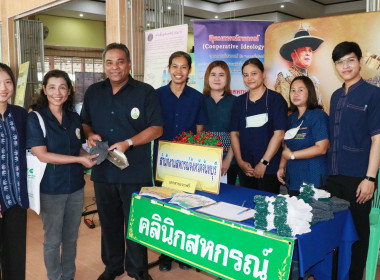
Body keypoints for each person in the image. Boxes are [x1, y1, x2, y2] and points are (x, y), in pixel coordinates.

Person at [80, 43, 163, 280]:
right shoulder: (94, 92)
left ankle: (137, 270)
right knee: (109, 222)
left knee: (136, 223)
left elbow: (156, 128)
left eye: (120, 61)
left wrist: (128, 142)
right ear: (104, 65)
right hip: (103, 169)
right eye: (109, 62)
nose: (115, 67)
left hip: (134, 170)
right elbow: (85, 121)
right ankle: (113, 266)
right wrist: (88, 134)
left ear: (129, 64)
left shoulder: (145, 92)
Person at [27, 70, 97, 280]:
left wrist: (92, 155)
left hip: (75, 187)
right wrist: (79, 160)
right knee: (52, 240)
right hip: (51, 189)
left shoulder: (73, 118)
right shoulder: (36, 118)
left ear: (69, 91)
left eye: (62, 87)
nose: (57, 92)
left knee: (71, 238)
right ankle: (54, 277)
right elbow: (42, 155)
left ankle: (69, 276)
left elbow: (77, 149)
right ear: (44, 90)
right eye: (52, 87)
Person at [327, 41, 380, 280]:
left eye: (350, 60)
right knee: (335, 231)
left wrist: (370, 178)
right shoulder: (336, 96)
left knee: (359, 234)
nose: (345, 66)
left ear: (360, 61)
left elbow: (378, 139)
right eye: (340, 62)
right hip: (334, 176)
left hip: (359, 177)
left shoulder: (373, 94)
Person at [155, 51, 208, 272]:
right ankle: (165, 254)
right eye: (175, 67)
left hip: (187, 161)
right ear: (169, 69)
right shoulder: (156, 95)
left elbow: (200, 128)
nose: (179, 71)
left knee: (186, 204)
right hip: (162, 159)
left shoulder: (197, 97)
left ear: (189, 70)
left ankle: (184, 253)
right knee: (165, 205)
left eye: (183, 67)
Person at [230, 58, 287, 194]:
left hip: (269, 168)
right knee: (247, 206)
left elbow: (279, 134)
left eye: (254, 73)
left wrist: (264, 163)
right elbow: (234, 134)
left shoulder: (275, 99)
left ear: (263, 74)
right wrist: (240, 162)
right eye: (245, 75)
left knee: (267, 209)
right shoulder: (239, 102)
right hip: (246, 168)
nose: (250, 78)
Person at [277, 76, 329, 195]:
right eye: (293, 90)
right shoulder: (291, 118)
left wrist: (293, 155)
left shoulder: (318, 116)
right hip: (293, 178)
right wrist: (281, 167)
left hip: (313, 179)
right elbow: (287, 147)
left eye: (300, 90)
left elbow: (321, 148)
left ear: (309, 92)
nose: (296, 94)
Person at [0, 63, 29, 280]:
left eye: (8, 82)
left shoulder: (20, 114)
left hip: (17, 197)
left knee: (16, 254)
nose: (3, 87)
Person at [203, 60, 238, 184]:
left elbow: (237, 134)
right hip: (202, 160)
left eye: (221, 75)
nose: (217, 78)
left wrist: (228, 160)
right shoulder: (199, 100)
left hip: (229, 160)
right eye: (213, 74)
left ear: (227, 78)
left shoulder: (236, 102)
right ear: (207, 77)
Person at [274, 26, 324, 108]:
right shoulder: (285, 76)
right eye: (303, 50)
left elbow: (321, 106)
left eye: (310, 50)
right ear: (293, 55)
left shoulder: (313, 80)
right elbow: (286, 107)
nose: (308, 53)